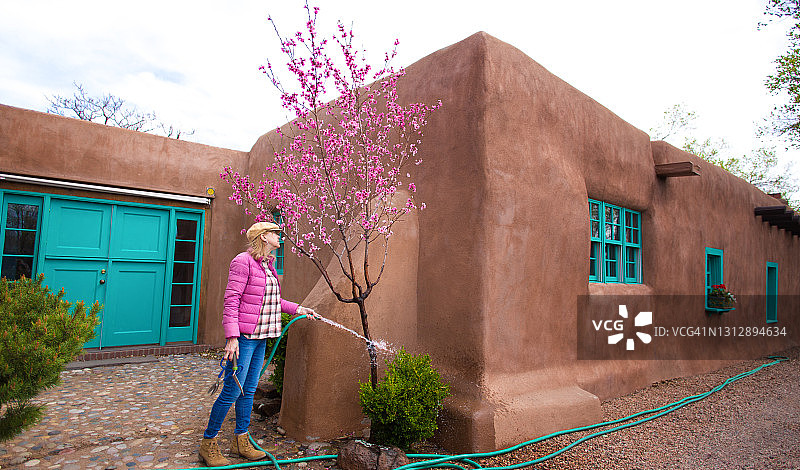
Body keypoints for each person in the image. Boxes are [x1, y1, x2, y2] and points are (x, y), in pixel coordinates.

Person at [199, 221, 320, 467]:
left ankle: (241, 440)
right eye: (276, 233)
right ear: (264, 237)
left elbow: (273, 301)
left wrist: (298, 308)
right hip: (243, 339)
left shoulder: (268, 265)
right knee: (232, 390)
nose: (280, 238)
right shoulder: (242, 262)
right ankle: (208, 443)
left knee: (249, 391)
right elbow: (232, 299)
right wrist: (231, 337)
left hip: (261, 337)